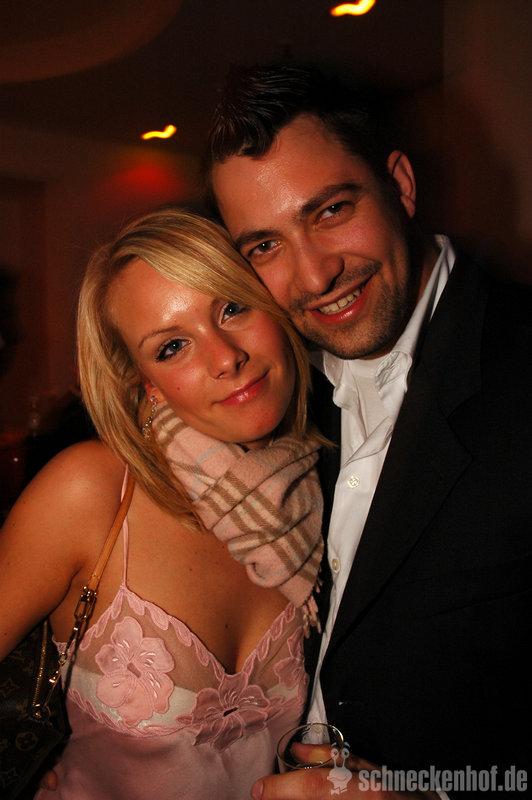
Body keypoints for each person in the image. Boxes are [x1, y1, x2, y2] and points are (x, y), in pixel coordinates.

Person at [204, 64, 532, 798]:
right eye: (264, 246)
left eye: (329, 211)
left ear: (400, 186)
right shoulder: (272, 395)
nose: (314, 275)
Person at [0, 208, 325, 799]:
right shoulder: (89, 492)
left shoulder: (323, 489)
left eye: (232, 307)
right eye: (173, 346)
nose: (225, 357)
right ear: (145, 381)